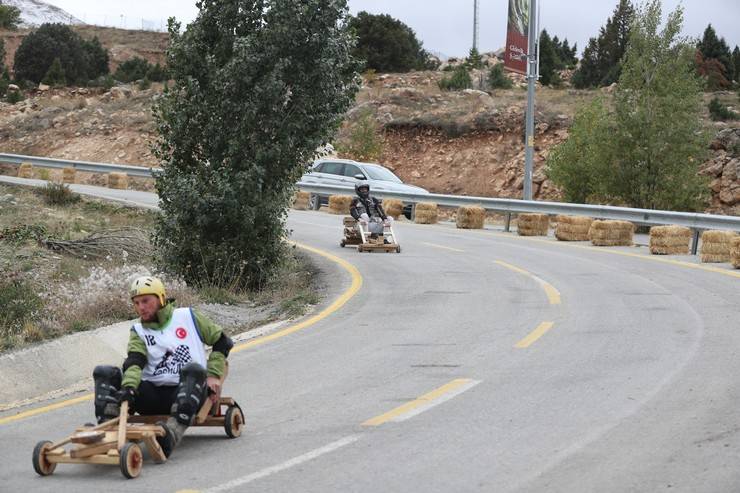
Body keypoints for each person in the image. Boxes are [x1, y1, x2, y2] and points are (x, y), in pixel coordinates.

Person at [92, 276, 234, 457]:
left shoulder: (188, 317)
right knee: (104, 372)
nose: (141, 307)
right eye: (136, 303)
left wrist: (213, 374)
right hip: (152, 396)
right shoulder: (139, 331)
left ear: (160, 298)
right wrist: (129, 388)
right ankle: (107, 431)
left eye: (145, 301)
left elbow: (223, 342)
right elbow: (135, 361)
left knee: (194, 369)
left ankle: (172, 434)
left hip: (189, 392)